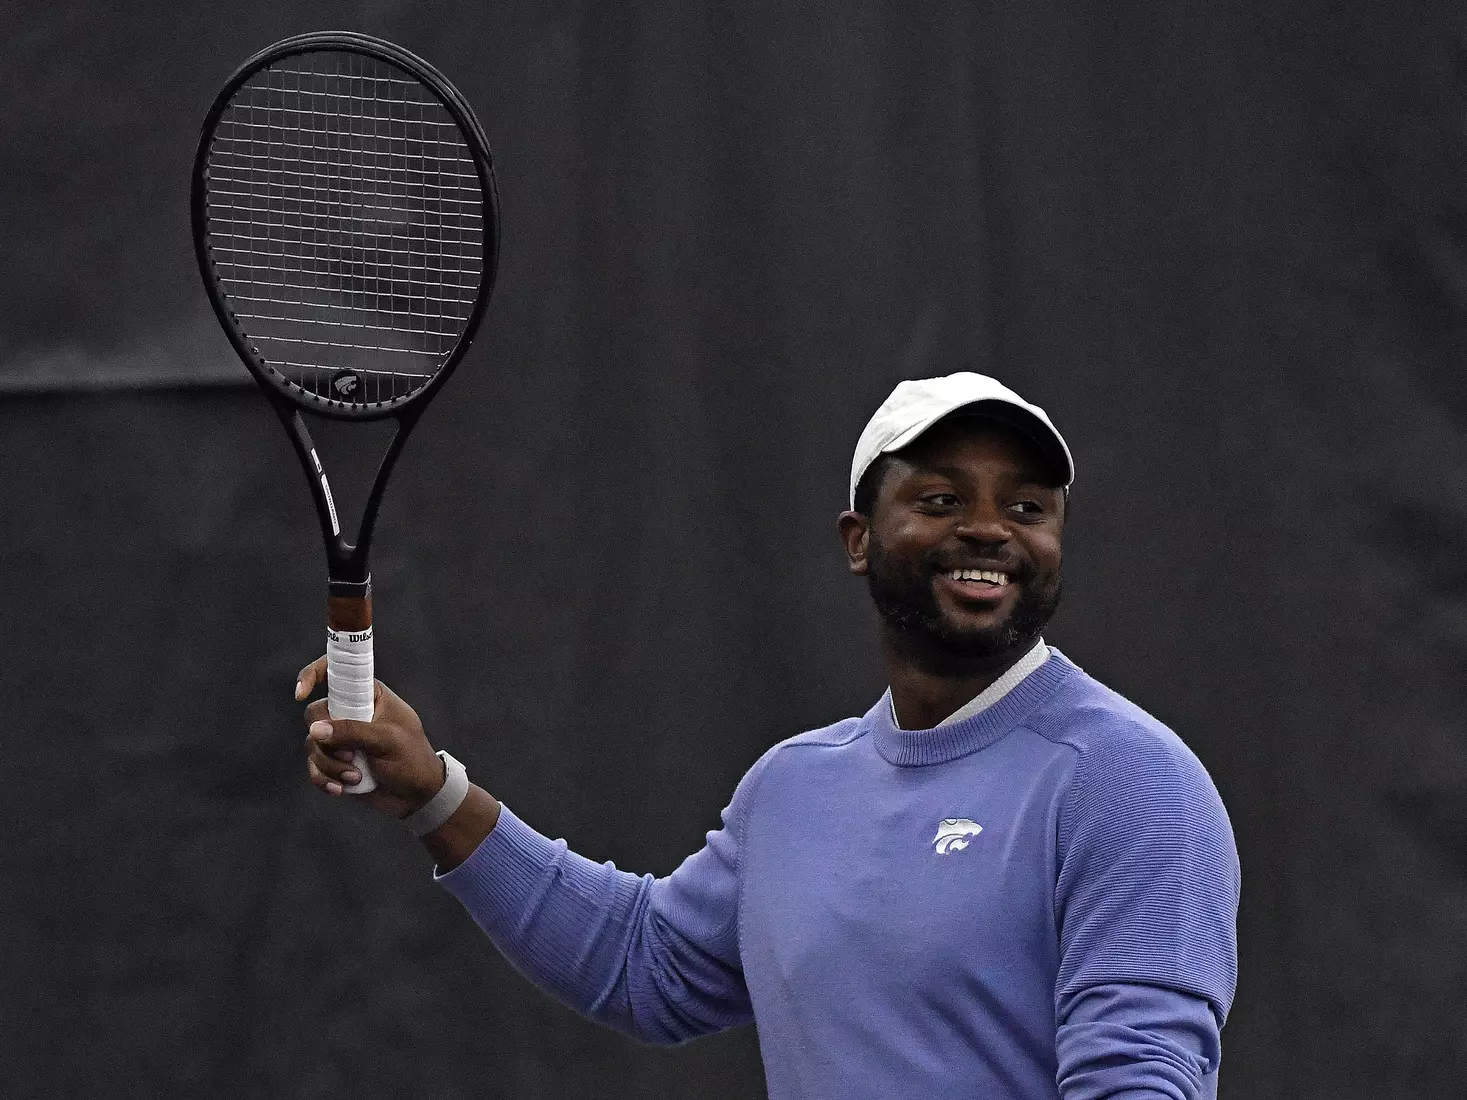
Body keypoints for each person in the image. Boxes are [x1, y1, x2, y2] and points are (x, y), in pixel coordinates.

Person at [298, 372, 1240, 1100]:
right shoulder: (792, 789)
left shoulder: (1129, 780)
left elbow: (1137, 1079)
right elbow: (644, 966)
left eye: (1026, 508)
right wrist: (435, 795)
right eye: (943, 501)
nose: (990, 529)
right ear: (859, 539)